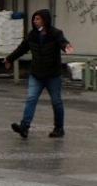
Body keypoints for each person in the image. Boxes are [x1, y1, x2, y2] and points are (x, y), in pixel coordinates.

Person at [4, 9, 74, 138]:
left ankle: (59, 128)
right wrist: (9, 59)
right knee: (31, 99)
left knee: (56, 101)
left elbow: (62, 42)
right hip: (37, 74)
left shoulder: (55, 33)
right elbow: (22, 48)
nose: (35, 21)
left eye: (38, 19)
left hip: (53, 75)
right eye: (34, 19)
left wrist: (66, 47)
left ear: (45, 20)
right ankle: (24, 128)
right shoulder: (32, 35)